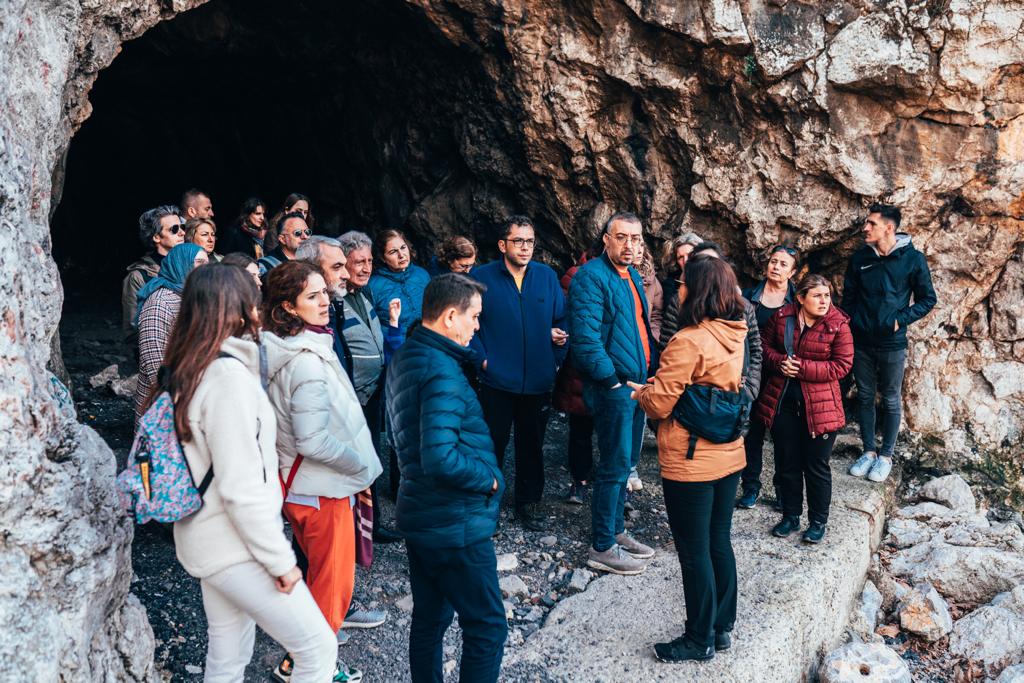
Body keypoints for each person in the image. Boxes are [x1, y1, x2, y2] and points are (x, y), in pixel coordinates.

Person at [159, 263, 338, 683]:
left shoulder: (190, 370)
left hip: (204, 538)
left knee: (228, 653)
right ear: (238, 310)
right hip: (235, 547)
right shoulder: (226, 379)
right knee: (317, 646)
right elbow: (241, 487)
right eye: (252, 298)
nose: (259, 307)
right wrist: (280, 562)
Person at [261, 261, 382, 683]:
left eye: (323, 293)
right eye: (311, 296)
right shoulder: (307, 362)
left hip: (299, 486)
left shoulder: (281, 347)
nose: (324, 302)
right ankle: (307, 666)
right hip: (321, 489)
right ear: (288, 307)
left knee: (318, 577)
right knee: (332, 588)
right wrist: (360, 464)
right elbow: (312, 441)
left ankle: (304, 659)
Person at [386, 274, 507, 683]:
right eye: (474, 317)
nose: (477, 325)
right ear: (451, 316)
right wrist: (489, 479)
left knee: (430, 620)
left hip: (422, 516)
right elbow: (440, 457)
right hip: (455, 524)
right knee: (488, 627)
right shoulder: (442, 372)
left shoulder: (408, 355)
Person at [629, 255, 749, 663]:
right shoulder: (736, 332)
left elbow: (661, 404)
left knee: (694, 551)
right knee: (718, 541)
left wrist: (642, 393)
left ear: (697, 291)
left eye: (682, 283)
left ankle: (699, 640)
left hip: (692, 460)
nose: (678, 289)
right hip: (728, 455)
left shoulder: (689, 339)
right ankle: (722, 627)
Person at [567, 211, 658, 575]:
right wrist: (612, 382)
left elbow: (638, 329)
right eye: (622, 237)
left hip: (637, 388)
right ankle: (602, 545)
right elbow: (586, 340)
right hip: (615, 388)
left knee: (626, 465)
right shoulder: (591, 277)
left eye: (636, 238)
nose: (630, 245)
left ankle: (617, 530)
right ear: (606, 239)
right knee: (613, 465)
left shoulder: (633, 275)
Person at [298, 235, 403, 545]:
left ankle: (366, 528)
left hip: (369, 394)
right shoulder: (325, 308)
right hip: (351, 399)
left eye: (369, 261)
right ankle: (349, 534)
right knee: (351, 462)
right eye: (355, 262)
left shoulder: (358, 296)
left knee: (369, 454)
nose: (362, 268)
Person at [471, 215, 568, 531]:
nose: (525, 247)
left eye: (530, 241)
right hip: (496, 380)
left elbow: (563, 321)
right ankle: (487, 504)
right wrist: (483, 361)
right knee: (491, 444)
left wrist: (555, 358)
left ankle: (530, 502)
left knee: (532, 444)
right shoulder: (481, 277)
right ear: (503, 245)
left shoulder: (546, 277)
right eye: (518, 241)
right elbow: (467, 325)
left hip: (538, 379)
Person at [755, 274, 854, 544]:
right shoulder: (783, 317)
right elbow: (762, 347)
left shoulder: (838, 324)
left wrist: (800, 368)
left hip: (821, 409)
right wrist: (778, 363)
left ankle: (818, 521)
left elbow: (842, 365)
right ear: (800, 299)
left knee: (816, 466)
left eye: (827, 296)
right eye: (817, 296)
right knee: (787, 463)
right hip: (783, 403)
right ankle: (790, 516)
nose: (824, 302)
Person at [844, 204, 936, 483]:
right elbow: (848, 299)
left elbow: (927, 299)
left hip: (892, 342)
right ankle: (869, 452)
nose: (865, 228)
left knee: (892, 398)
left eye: (871, 223)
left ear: (889, 228)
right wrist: (851, 325)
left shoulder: (913, 259)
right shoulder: (860, 258)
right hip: (861, 340)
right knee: (864, 396)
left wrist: (899, 320)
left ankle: (886, 456)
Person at [736, 245, 800, 510]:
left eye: (783, 264)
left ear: (793, 271)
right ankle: (750, 487)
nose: (776, 267)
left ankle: (782, 491)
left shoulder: (798, 302)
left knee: (784, 437)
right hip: (753, 372)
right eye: (774, 261)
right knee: (752, 433)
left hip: (782, 376)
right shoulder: (750, 296)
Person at [134, 243, 208, 419]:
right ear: (181, 264)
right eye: (199, 262)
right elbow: (155, 364)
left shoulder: (194, 297)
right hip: (163, 406)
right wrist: (181, 400)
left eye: (207, 262)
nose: (206, 268)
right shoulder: (160, 303)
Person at [552, 244, 600, 504]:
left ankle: (613, 484)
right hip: (579, 363)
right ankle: (579, 480)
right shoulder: (574, 275)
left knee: (611, 430)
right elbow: (562, 315)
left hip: (610, 361)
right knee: (580, 427)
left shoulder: (628, 276)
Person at [122, 205, 184, 344]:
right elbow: (132, 332)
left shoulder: (193, 267)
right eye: (174, 229)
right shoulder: (138, 277)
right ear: (156, 237)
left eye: (182, 227)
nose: (182, 233)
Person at [366, 229, 431, 336]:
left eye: (403, 247)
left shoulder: (422, 275)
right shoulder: (372, 286)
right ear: (383, 258)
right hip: (396, 346)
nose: (401, 255)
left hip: (428, 340)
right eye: (393, 252)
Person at [659, 232, 702, 322]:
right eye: (681, 257)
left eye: (691, 255)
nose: (686, 261)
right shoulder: (670, 285)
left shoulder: (715, 279)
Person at [259, 212, 311, 276]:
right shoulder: (266, 266)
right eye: (298, 233)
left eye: (307, 232)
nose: (305, 236)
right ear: (283, 239)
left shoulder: (313, 260)